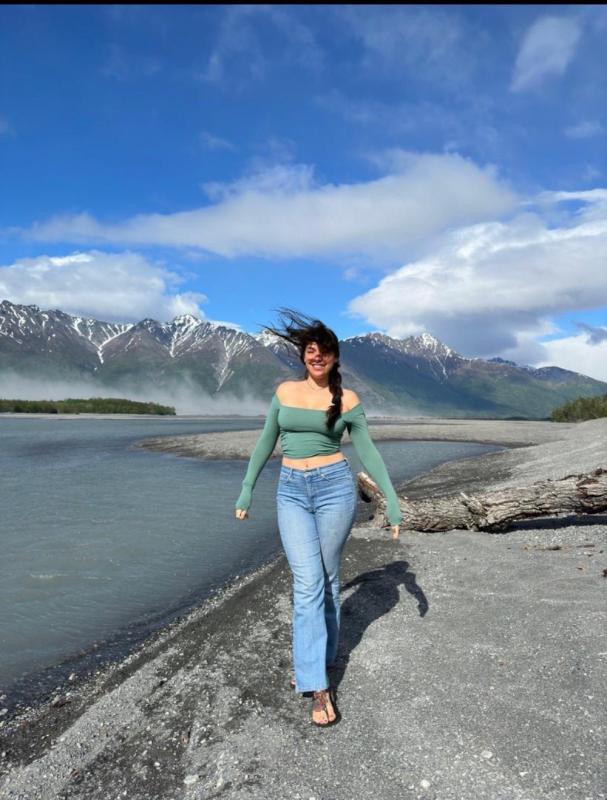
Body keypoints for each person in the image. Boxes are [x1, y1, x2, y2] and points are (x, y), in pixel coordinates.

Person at [234, 308, 402, 727]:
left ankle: (319, 658)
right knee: (308, 583)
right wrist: (247, 488)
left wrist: (391, 499)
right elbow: (265, 442)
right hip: (291, 490)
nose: (317, 356)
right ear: (303, 356)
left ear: (335, 357)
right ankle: (318, 685)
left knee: (327, 580)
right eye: (310, 350)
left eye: (324, 350)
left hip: (334, 490)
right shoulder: (285, 392)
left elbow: (368, 451)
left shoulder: (348, 400)